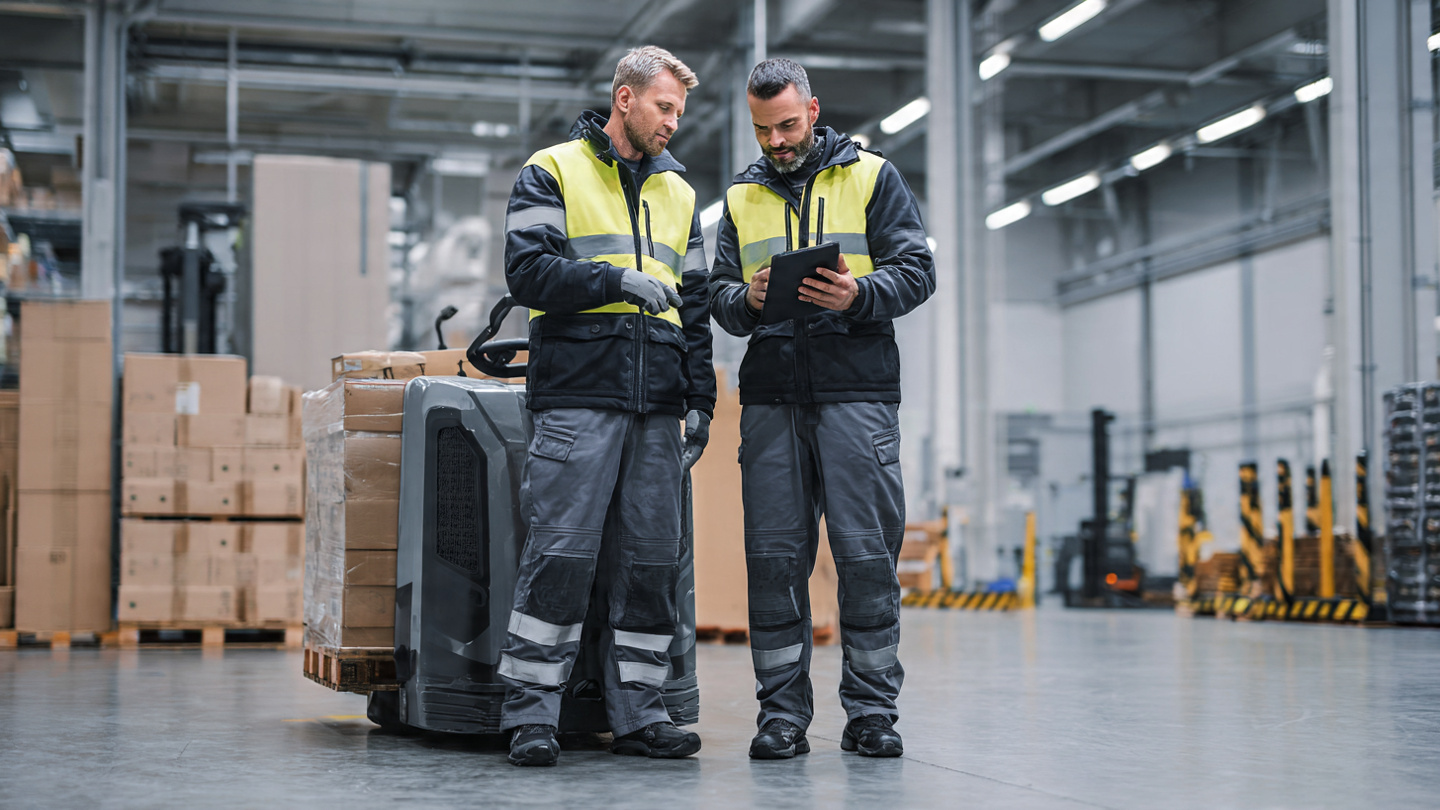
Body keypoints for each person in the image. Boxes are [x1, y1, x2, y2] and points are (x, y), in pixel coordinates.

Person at [708, 58, 935, 760]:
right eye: (762, 129)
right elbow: (716, 293)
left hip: (856, 394)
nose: (775, 141)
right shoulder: (740, 198)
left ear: (812, 109)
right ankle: (781, 715)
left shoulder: (872, 177)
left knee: (867, 558)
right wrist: (744, 298)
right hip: (771, 398)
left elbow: (918, 270)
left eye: (786, 125)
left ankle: (872, 713)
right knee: (774, 560)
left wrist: (857, 296)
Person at [498, 45, 715, 767]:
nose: (673, 123)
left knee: (652, 562)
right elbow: (527, 271)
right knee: (559, 556)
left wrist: (700, 399)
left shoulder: (681, 196)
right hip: (579, 397)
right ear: (625, 99)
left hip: (656, 407)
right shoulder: (551, 169)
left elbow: (695, 309)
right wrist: (614, 278)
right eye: (663, 107)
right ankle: (530, 713)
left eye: (679, 112)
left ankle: (642, 713)